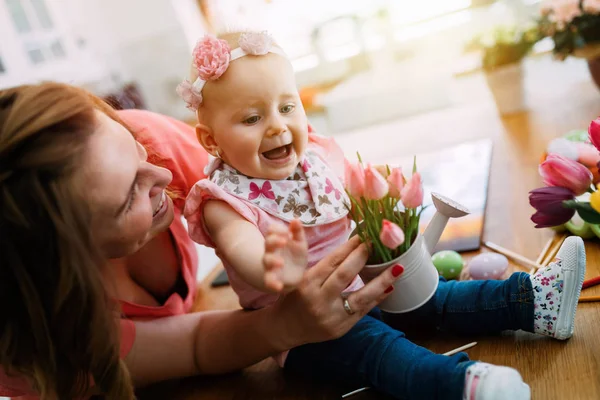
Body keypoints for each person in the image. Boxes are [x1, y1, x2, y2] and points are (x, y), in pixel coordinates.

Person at [181, 31, 587, 400]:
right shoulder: (222, 199)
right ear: (210, 140)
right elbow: (240, 247)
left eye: (287, 107)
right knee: (378, 348)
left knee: (436, 296)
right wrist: (273, 267)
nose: (276, 126)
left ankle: (533, 301)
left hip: (368, 286)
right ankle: (460, 385)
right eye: (252, 118)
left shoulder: (315, 156)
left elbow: (353, 194)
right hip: (307, 330)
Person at [0, 82, 403, 399]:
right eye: (128, 199)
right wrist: (286, 324)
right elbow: (193, 346)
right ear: (68, 259)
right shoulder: (44, 342)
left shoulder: (146, 145)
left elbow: (294, 165)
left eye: (136, 149)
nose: (161, 176)